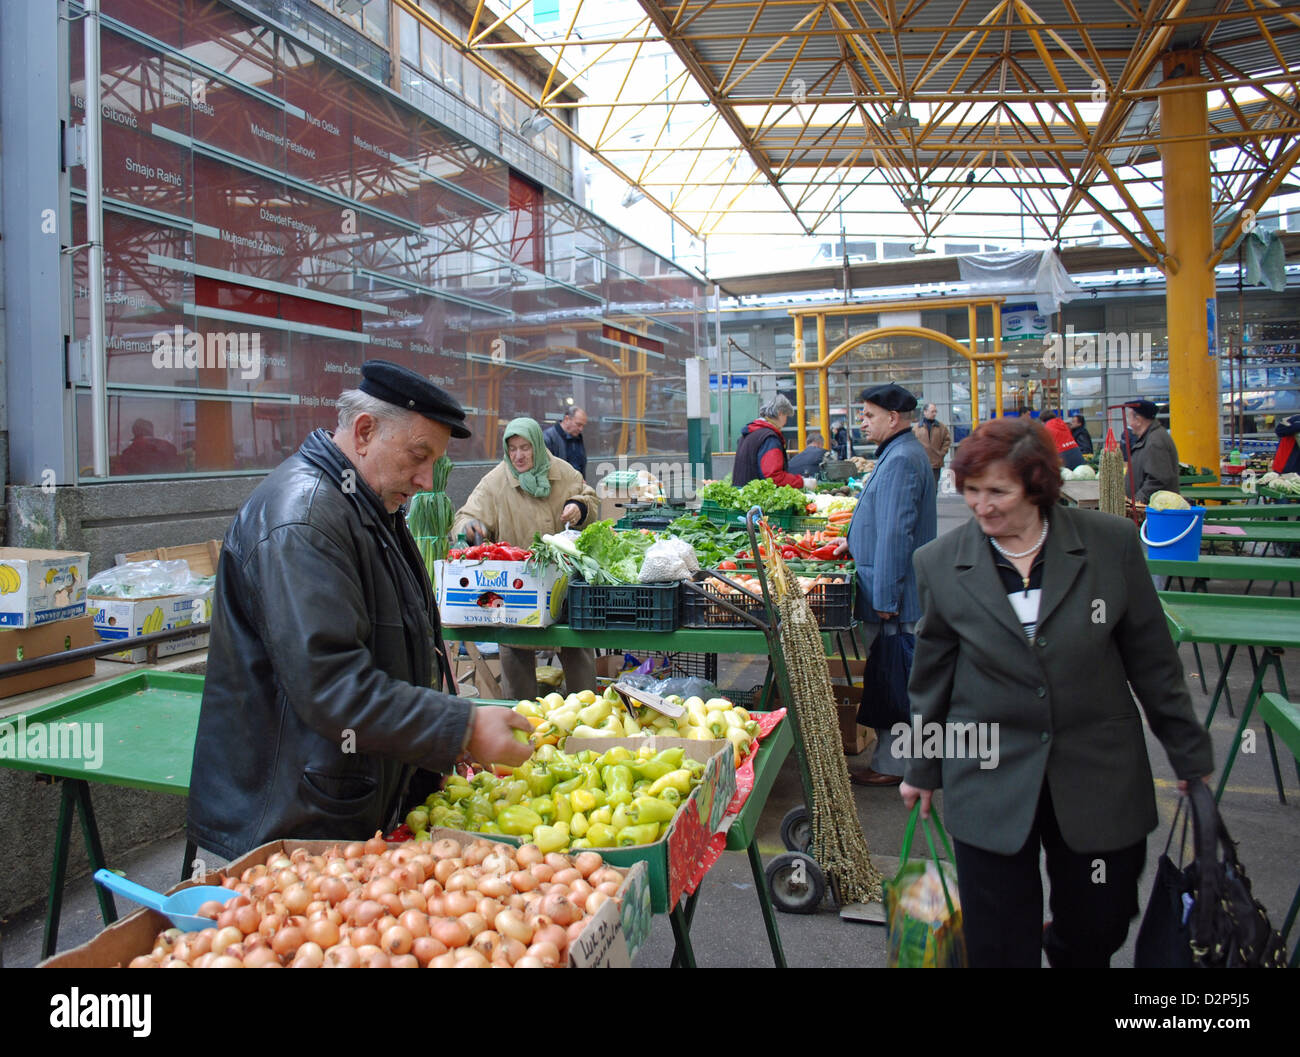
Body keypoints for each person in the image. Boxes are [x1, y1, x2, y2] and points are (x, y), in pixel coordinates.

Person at [900, 416, 1213, 968]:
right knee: (997, 940)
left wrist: (1188, 752)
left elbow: (1153, 660)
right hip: (988, 772)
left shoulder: (1108, 546)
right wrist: (922, 766)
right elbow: (932, 674)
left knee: (1101, 920)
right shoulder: (941, 564)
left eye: (998, 491)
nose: (981, 505)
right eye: (970, 490)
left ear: (1037, 485)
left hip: (1097, 771)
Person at [188, 361, 532, 861]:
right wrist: (461, 727)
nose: (425, 479)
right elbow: (330, 684)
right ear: (365, 431)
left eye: (434, 461)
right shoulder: (304, 520)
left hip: (342, 805)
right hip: (292, 827)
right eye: (419, 455)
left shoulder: (367, 504)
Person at [831, 383, 936, 786]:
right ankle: (893, 764)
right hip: (891, 586)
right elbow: (884, 522)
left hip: (896, 593)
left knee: (896, 674)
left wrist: (888, 598)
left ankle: (895, 768)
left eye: (869, 414)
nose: (862, 420)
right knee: (892, 672)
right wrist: (852, 541)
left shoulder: (902, 461)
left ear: (893, 418)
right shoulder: (899, 453)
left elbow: (896, 533)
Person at [454, 418, 599, 701]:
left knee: (577, 645)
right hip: (517, 588)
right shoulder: (495, 482)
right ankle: (521, 723)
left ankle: (586, 719)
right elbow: (466, 516)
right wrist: (469, 528)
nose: (518, 456)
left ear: (538, 447)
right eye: (512, 449)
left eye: (525, 448)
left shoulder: (564, 472)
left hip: (563, 582)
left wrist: (579, 508)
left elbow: (591, 500)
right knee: (515, 651)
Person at [733, 394, 818, 490]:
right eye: (786, 416)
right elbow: (774, 477)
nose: (786, 422)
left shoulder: (751, 433)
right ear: (780, 413)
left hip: (742, 495)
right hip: (758, 501)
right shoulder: (769, 438)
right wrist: (802, 482)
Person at [1123, 399, 1180, 504]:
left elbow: (1158, 480)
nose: (1128, 423)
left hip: (1154, 512)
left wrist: (1137, 502)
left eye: (1129, 417)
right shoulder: (1149, 438)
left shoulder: (1155, 441)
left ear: (1138, 420)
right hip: (1146, 511)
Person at [116, 418, 185, 474]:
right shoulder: (169, 447)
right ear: (151, 431)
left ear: (135, 432)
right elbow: (178, 470)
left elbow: (121, 475)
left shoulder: (129, 451)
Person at [543, 406, 588, 479]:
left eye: (583, 426)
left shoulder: (578, 437)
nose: (581, 429)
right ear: (567, 419)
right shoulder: (548, 438)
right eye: (578, 424)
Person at [912, 402, 952, 485]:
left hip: (935, 464)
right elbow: (911, 443)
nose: (934, 414)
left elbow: (947, 441)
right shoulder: (916, 428)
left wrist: (941, 454)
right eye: (932, 411)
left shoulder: (941, 427)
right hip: (921, 464)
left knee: (934, 488)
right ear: (925, 412)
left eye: (935, 411)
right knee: (922, 488)